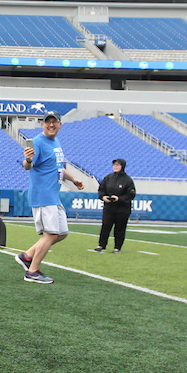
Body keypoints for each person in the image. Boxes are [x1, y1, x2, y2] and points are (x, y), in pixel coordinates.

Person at [18, 110, 85, 284]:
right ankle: (32, 271)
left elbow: (57, 168)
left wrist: (74, 178)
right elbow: (28, 165)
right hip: (43, 195)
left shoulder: (55, 142)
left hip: (53, 196)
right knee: (50, 234)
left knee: (61, 233)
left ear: (60, 124)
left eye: (54, 122)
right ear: (43, 124)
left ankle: (27, 256)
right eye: (48, 122)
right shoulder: (39, 142)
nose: (51, 124)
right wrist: (28, 159)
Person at [94, 158, 136, 253]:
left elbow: (131, 194)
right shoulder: (108, 178)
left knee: (120, 228)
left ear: (122, 166)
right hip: (109, 207)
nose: (115, 167)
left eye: (118, 165)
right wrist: (103, 197)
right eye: (114, 165)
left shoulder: (127, 180)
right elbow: (101, 190)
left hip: (122, 209)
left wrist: (119, 199)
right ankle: (101, 245)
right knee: (106, 225)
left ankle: (117, 247)